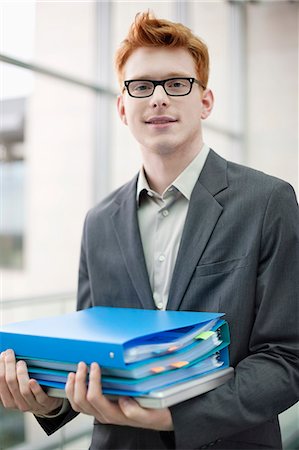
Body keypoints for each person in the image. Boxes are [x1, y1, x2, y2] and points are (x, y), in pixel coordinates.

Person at [0, 11, 298, 450]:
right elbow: (88, 352)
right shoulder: (99, 221)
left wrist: (176, 417)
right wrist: (49, 403)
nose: (158, 98)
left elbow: (286, 357)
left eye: (177, 84)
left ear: (206, 101)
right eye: (141, 86)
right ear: (123, 107)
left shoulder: (267, 201)